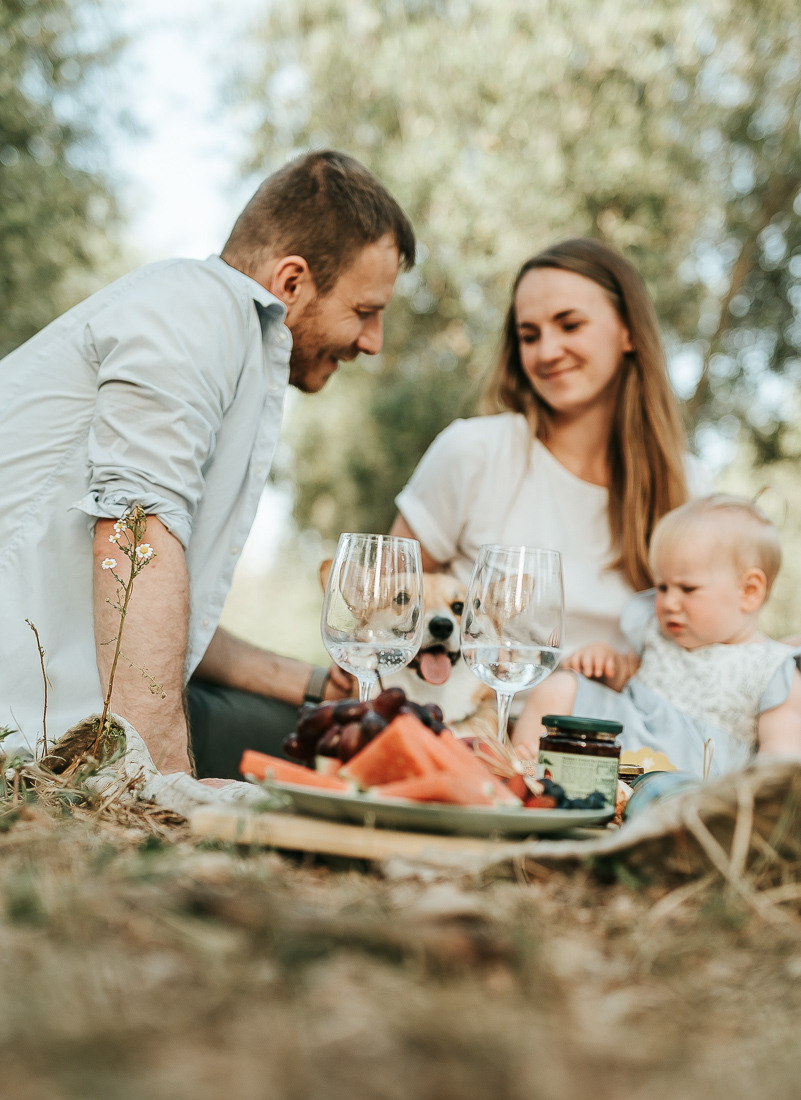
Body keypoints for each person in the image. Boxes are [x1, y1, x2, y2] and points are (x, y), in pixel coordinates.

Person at [0, 150, 416, 778]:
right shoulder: (195, 310)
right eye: (364, 311)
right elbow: (134, 537)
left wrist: (310, 683)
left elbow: (157, 616)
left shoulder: (222, 329)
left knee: (322, 735)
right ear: (292, 281)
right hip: (23, 713)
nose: (374, 341)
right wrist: (165, 786)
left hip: (58, 698)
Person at [391, 237, 706, 658]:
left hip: (627, 702)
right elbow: (381, 607)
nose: (547, 352)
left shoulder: (688, 487)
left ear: (629, 331)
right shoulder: (474, 452)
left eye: (570, 325)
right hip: (483, 701)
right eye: (529, 335)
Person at [512, 495, 801, 777]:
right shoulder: (656, 630)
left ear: (749, 591)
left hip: (686, 782)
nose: (669, 602)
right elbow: (628, 678)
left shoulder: (772, 670)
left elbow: (780, 757)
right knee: (559, 688)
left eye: (687, 589)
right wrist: (608, 664)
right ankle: (524, 774)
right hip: (618, 747)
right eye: (662, 587)